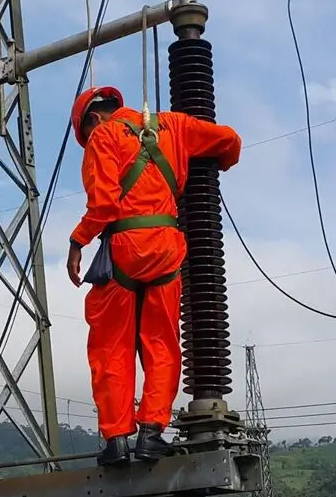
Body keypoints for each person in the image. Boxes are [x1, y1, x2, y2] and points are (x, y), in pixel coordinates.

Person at [65, 85, 242, 466]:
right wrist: (218, 162)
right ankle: (151, 433)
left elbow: (104, 205)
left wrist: (77, 241)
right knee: (161, 343)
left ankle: (116, 440)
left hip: (125, 247)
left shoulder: (104, 136)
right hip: (166, 245)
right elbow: (229, 140)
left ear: (93, 119)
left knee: (110, 345)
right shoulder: (173, 125)